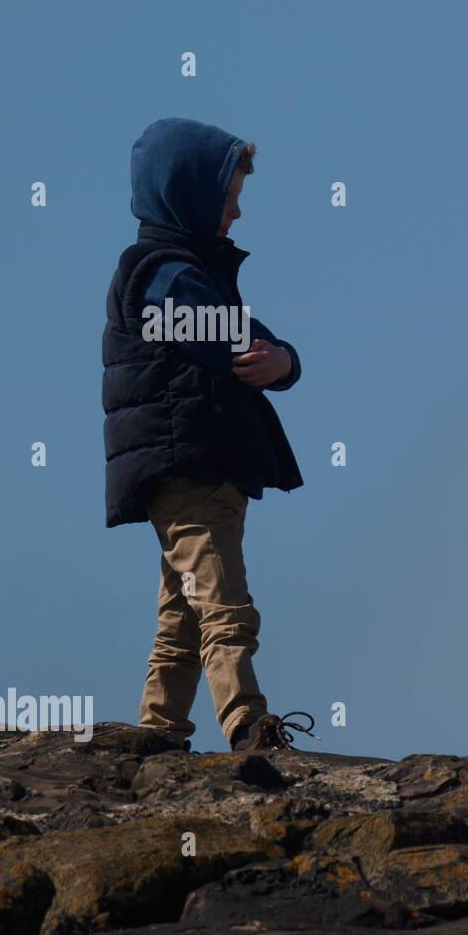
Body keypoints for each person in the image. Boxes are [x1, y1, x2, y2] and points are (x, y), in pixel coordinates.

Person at [101, 116, 314, 753]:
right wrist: (276, 358)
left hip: (189, 463)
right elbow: (232, 339)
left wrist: (284, 357)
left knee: (184, 609)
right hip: (190, 463)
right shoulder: (163, 276)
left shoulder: (178, 270)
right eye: (229, 198)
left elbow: (244, 333)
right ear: (188, 193)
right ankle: (248, 723)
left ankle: (159, 733)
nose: (238, 213)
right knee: (222, 597)